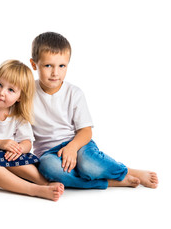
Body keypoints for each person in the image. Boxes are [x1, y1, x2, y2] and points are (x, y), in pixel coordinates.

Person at [30, 32, 159, 189]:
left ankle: (126, 171)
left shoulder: (74, 93)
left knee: (88, 164)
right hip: (49, 153)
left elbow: (85, 131)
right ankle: (108, 182)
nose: (55, 73)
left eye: (62, 66)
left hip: (77, 144)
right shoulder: (26, 93)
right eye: (48, 65)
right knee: (49, 168)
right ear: (34, 64)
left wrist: (72, 147)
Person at [0, 60, 64, 201]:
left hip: (8, 159)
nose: (1, 92)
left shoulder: (18, 114)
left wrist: (19, 148)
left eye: (11, 90)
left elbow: (27, 142)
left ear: (20, 97)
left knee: (20, 160)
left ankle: (44, 183)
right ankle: (33, 190)